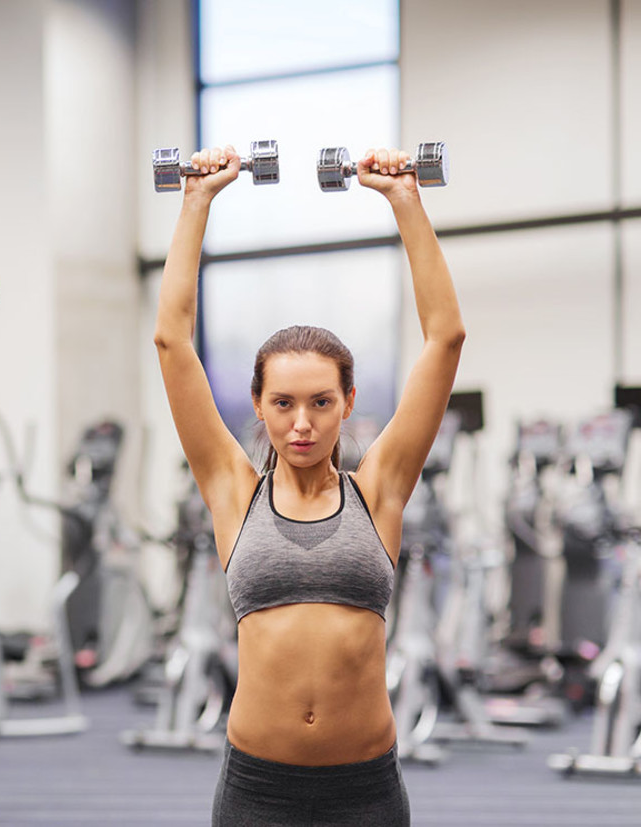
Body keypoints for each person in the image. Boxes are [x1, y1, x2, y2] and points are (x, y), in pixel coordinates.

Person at [154, 145, 464, 826]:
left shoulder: (379, 489)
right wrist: (196, 202)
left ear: (348, 401)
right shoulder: (232, 491)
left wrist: (405, 199)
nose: (302, 423)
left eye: (321, 402)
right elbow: (173, 343)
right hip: (257, 791)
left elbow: (445, 338)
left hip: (367, 791)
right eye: (285, 403)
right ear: (258, 406)